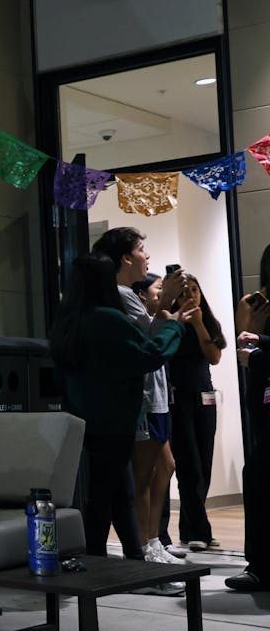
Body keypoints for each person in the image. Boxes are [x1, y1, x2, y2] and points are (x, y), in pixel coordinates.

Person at [49, 254, 190, 572]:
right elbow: (150, 354)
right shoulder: (107, 318)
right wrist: (173, 327)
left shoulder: (67, 321)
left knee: (114, 491)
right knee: (108, 495)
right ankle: (104, 564)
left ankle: (131, 563)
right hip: (114, 418)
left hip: (84, 419)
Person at [92, 228, 190, 572]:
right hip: (142, 399)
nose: (147, 255)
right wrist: (167, 312)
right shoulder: (120, 295)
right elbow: (145, 341)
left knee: (163, 466)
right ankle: (145, 545)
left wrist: (170, 313)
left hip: (155, 397)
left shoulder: (124, 294)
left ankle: (152, 540)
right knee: (144, 474)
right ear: (125, 258)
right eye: (141, 249)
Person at [168, 274, 226, 553]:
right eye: (184, 292)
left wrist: (199, 323)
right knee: (188, 466)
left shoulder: (208, 321)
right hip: (179, 399)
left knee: (203, 464)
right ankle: (200, 530)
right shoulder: (171, 322)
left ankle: (189, 528)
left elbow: (214, 357)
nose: (190, 296)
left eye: (194, 290)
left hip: (205, 397)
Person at [226, 243, 270, 591]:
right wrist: (254, 326)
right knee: (257, 477)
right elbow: (244, 348)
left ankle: (259, 566)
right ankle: (259, 565)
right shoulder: (254, 303)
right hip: (263, 400)